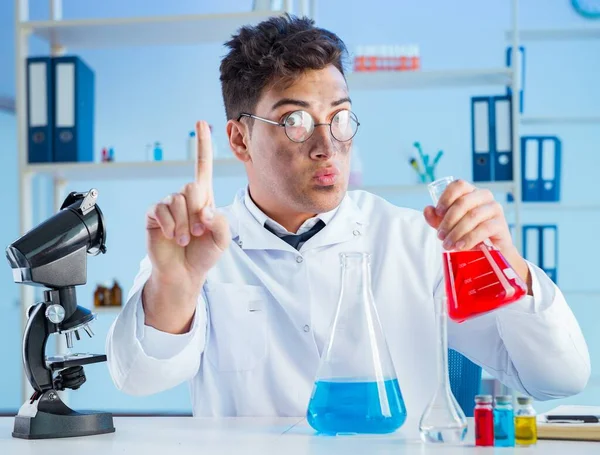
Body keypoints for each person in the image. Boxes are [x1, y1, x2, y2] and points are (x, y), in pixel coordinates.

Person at [106, 14, 590, 430]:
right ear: (239, 140)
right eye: (295, 122)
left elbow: (559, 379)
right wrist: (177, 285)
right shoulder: (196, 247)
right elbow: (138, 378)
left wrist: (511, 266)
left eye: (340, 117)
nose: (326, 145)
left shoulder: (418, 241)